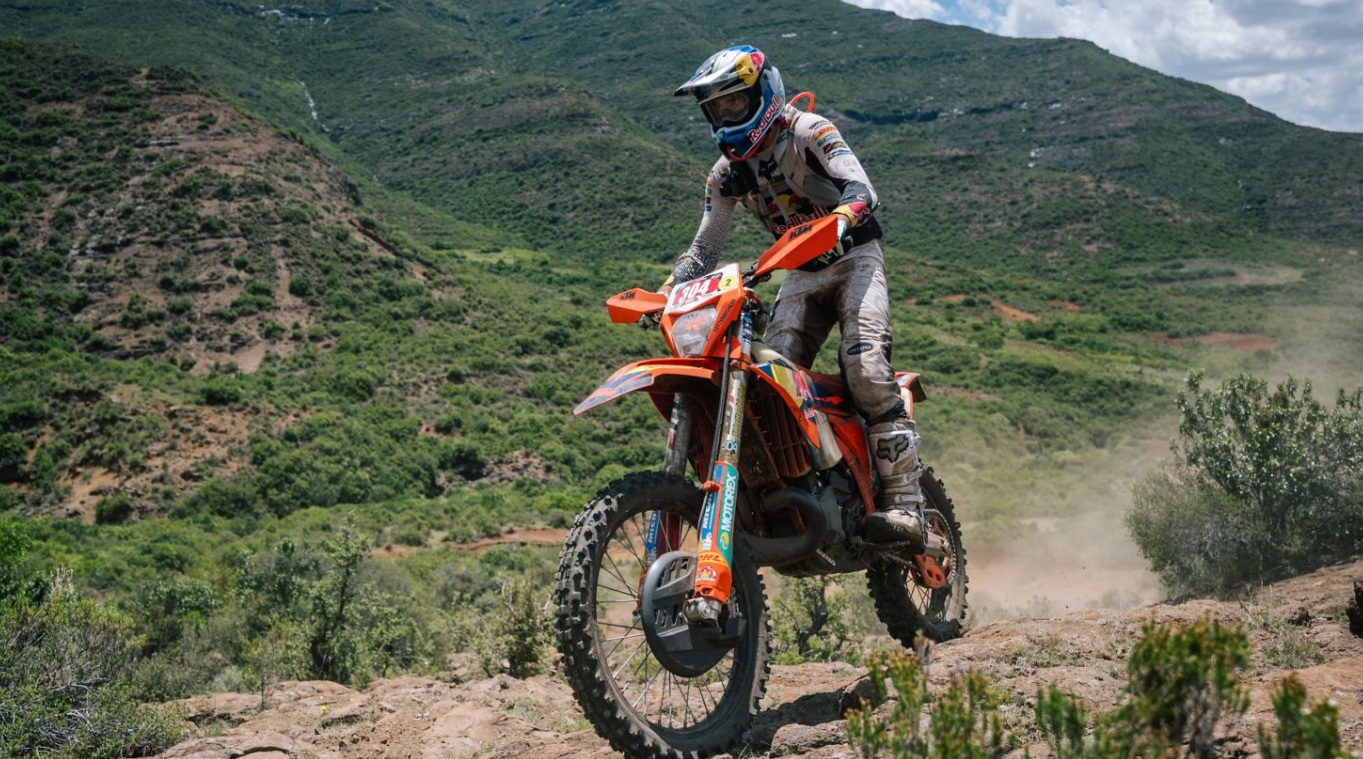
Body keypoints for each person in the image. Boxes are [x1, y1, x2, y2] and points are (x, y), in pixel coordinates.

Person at [664, 45, 925, 544]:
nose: (728, 115)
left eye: (735, 102)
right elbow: (705, 246)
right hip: (800, 273)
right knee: (770, 385)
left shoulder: (809, 131)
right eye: (718, 108)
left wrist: (844, 216)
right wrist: (669, 290)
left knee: (866, 368)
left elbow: (861, 188)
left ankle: (907, 505)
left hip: (854, 257)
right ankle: (808, 490)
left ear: (763, 93)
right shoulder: (726, 174)